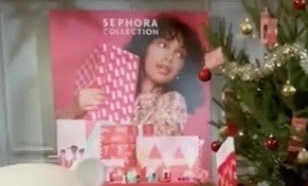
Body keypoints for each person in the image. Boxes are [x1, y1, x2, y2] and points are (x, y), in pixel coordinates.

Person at [56, 15, 207, 136]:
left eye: (180, 54)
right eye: (163, 45)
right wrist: (74, 109)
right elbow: (53, 135)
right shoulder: (110, 86)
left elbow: (159, 151)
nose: (169, 57)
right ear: (144, 47)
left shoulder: (173, 103)